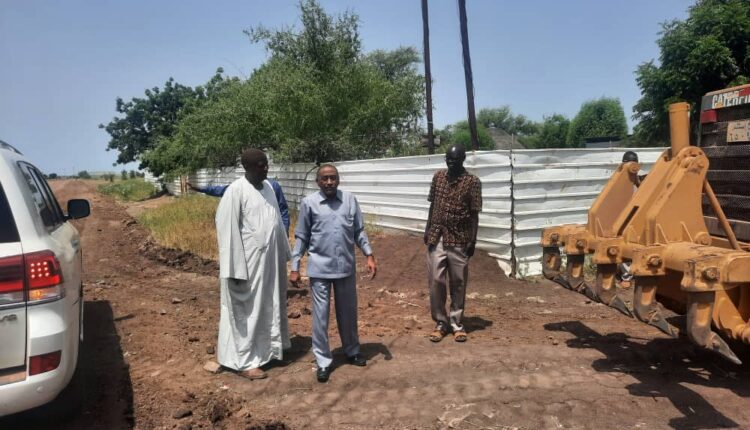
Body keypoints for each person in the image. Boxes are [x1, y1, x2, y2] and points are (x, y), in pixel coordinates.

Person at [289, 164, 377, 383]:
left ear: (338, 180)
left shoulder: (349, 200)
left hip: (345, 267)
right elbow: (302, 236)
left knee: (348, 313)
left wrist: (369, 254)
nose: (329, 182)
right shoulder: (309, 203)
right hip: (320, 269)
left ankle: (352, 351)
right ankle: (323, 361)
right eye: (325, 178)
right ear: (318, 182)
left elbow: (358, 231)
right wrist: (295, 266)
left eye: (333, 178)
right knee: (320, 317)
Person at [214, 148, 291, 380]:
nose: (265, 168)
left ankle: (269, 352)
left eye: (266, 163)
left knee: (269, 305)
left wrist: (284, 254)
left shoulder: (269, 188)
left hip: (269, 263)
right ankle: (245, 362)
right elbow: (227, 232)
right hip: (247, 266)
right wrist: (234, 269)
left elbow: (277, 222)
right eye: (260, 164)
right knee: (246, 312)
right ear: (246, 167)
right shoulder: (235, 191)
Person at [424, 145, 482, 343]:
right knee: (435, 280)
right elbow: (433, 205)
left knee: (458, 282)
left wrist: (473, 240)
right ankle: (441, 323)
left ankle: (457, 324)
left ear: (463, 159)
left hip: (460, 238)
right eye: (448, 158)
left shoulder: (472, 182)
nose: (451, 162)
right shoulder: (438, 177)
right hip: (437, 236)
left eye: (455, 159)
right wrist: (427, 229)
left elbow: (474, 214)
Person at [189, 180, 290, 234]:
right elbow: (220, 190)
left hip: (273, 233)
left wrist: (285, 229)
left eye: (265, 165)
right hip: (251, 236)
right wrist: (200, 189)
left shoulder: (273, 185)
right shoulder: (241, 186)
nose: (265, 168)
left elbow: (283, 209)